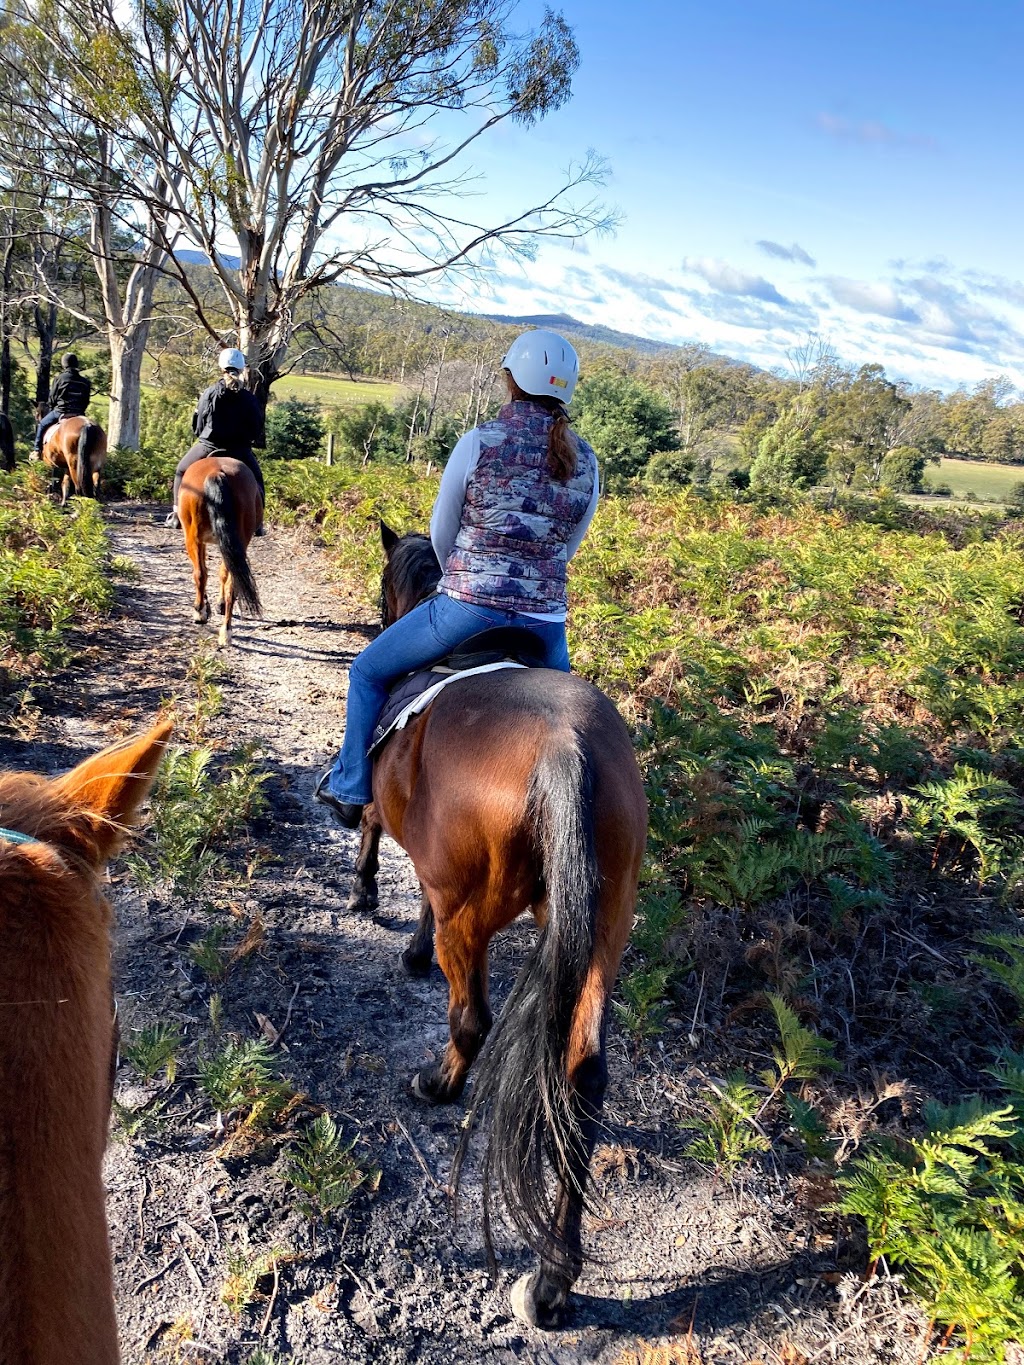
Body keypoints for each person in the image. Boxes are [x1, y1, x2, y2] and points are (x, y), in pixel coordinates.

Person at [316, 328, 600, 829]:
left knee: (366, 672)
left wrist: (464, 581)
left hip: (466, 609)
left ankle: (351, 784)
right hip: (545, 623)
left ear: (511, 380)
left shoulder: (478, 442)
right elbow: (567, 547)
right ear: (565, 390)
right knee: (576, 724)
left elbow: (441, 533)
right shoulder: (588, 462)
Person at [165, 348, 266, 532]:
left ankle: (177, 514)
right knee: (257, 479)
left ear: (222, 368)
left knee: (180, 471)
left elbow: (198, 424)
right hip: (240, 450)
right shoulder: (249, 398)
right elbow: (256, 428)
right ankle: (258, 523)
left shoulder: (210, 393)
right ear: (242, 369)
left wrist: (203, 435)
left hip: (209, 445)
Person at [31, 354, 91, 456]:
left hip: (61, 412)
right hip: (79, 413)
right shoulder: (85, 382)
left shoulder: (59, 379)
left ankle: (37, 450)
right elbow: (86, 401)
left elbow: (52, 399)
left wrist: (53, 406)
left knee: (42, 424)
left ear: (64, 365)